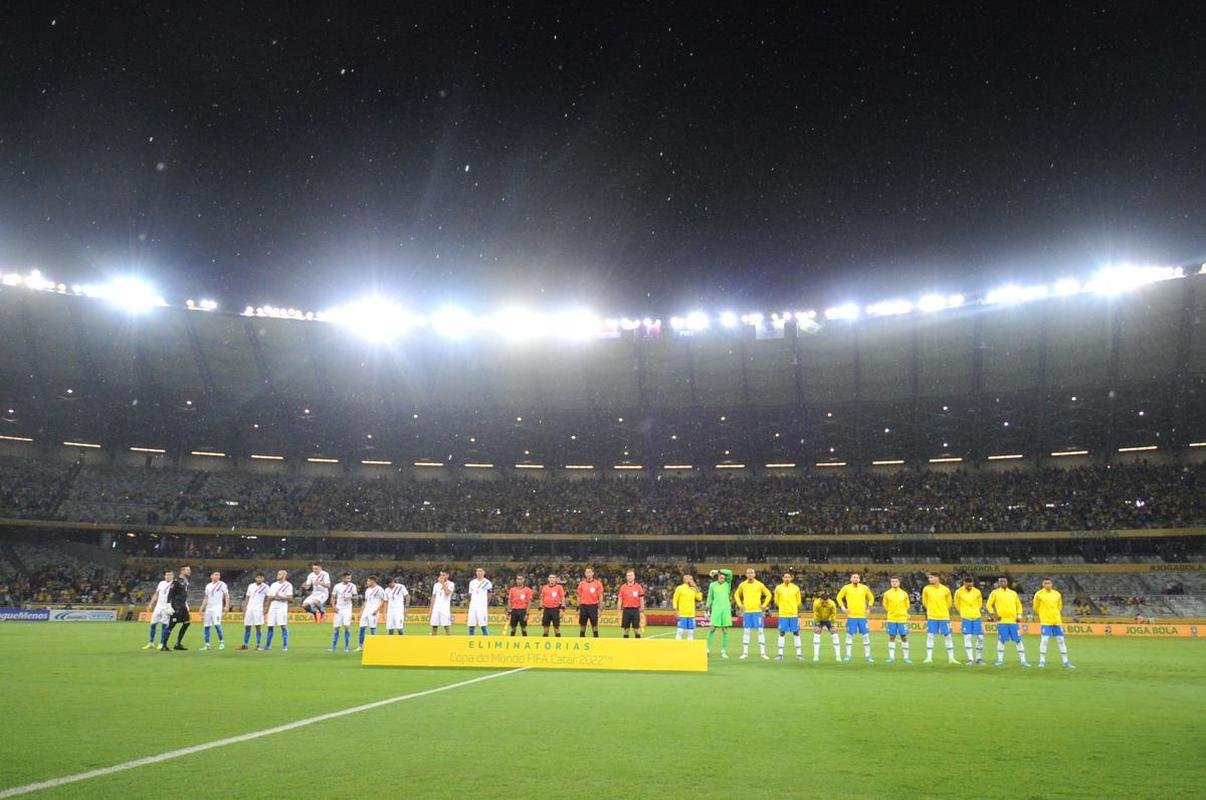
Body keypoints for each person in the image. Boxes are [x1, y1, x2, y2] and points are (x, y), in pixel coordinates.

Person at [985, 576, 1030, 667]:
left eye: (1004, 581)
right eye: (1000, 581)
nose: (1002, 583)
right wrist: (993, 614)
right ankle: (1000, 660)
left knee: (1018, 640)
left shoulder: (1013, 593)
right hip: (1002, 622)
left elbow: (1019, 606)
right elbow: (989, 605)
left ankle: (1023, 661)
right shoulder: (995, 593)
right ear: (998, 583)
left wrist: (1019, 615)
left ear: (1007, 582)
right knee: (1001, 640)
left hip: (1013, 621)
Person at [1033, 578, 1075, 669]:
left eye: (1049, 583)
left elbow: (1059, 607)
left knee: (1061, 640)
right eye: (1045, 583)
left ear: (1052, 584)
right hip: (1045, 621)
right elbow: (1035, 607)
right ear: (1043, 584)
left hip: (1056, 621)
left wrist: (1054, 614)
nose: (1047, 585)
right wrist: (1043, 614)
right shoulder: (1039, 594)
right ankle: (1042, 661)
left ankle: (1065, 662)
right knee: (1044, 640)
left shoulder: (1057, 594)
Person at [732, 568, 771, 660]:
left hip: (757, 612)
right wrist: (740, 605)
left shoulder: (759, 584)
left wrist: (764, 605)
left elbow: (769, 594)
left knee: (760, 631)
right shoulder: (742, 585)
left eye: (751, 573)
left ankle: (763, 653)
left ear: (754, 574)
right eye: (748, 573)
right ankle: (745, 653)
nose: (750, 574)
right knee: (746, 632)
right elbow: (736, 595)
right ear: (746, 575)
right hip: (747, 612)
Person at [836, 573, 875, 663]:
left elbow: (871, 598)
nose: (855, 578)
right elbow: (838, 597)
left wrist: (869, 608)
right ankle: (848, 655)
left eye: (857, 577)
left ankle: (868, 656)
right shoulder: (846, 587)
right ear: (850, 579)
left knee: (866, 636)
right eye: (854, 577)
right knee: (849, 635)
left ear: (859, 579)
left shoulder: (864, 588)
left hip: (862, 616)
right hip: (851, 616)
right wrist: (842, 607)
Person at [921, 573, 957, 665]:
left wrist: (942, 610)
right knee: (930, 636)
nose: (929, 579)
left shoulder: (945, 590)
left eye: (931, 577)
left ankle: (951, 658)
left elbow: (949, 603)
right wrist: (931, 609)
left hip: (944, 616)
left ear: (937, 578)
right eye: (929, 577)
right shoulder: (926, 589)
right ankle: (929, 657)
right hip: (932, 616)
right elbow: (924, 602)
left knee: (948, 636)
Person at [954, 577, 986, 665]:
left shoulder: (977, 592)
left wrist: (975, 610)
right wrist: (963, 612)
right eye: (967, 582)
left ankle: (979, 658)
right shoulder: (959, 592)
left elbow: (980, 603)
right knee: (967, 637)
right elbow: (956, 604)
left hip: (976, 617)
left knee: (980, 638)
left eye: (970, 582)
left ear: (973, 583)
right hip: (966, 617)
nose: (969, 584)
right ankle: (970, 659)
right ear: (964, 583)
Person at [772, 571, 804, 661]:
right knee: (782, 633)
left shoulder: (796, 588)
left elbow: (799, 602)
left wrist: (798, 613)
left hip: (794, 614)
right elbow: (776, 601)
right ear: (782, 578)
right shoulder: (778, 588)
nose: (787, 578)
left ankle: (799, 654)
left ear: (791, 578)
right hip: (783, 614)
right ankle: (780, 654)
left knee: (796, 633)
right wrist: (783, 607)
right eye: (785, 577)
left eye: (788, 577)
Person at [160, 565, 192, 652]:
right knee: (171, 625)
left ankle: (178, 644)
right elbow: (170, 593)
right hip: (176, 606)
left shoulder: (185, 581)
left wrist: (186, 603)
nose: (190, 571)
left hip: (183, 605)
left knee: (187, 622)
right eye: (188, 570)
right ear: (182, 571)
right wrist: (168, 604)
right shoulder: (176, 581)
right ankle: (164, 645)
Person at [881, 576, 912, 664]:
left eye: (896, 581)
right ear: (890, 583)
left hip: (902, 618)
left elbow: (907, 605)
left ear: (899, 583)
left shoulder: (904, 593)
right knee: (892, 636)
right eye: (892, 582)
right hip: (891, 618)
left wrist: (902, 612)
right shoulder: (887, 593)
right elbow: (885, 604)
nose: (894, 583)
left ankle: (906, 657)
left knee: (904, 636)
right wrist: (891, 611)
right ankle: (891, 657)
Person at [705, 568, 733, 658]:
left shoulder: (727, 584)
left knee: (725, 629)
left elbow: (730, 572)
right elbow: (710, 597)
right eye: (720, 575)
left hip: (725, 609)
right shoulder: (712, 585)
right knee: (712, 628)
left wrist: (718, 571)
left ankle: (723, 651)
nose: (722, 576)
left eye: (723, 575)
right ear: (717, 577)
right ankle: (707, 649)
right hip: (716, 609)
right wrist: (707, 607)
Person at [143, 568, 173, 650]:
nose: (168, 576)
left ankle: (161, 643)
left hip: (166, 607)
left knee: (164, 626)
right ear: (164, 576)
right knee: (153, 624)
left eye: (170, 575)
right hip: (158, 606)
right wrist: (150, 604)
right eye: (167, 575)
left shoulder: (174, 584)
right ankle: (151, 642)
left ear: (172, 576)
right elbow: (156, 594)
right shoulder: (161, 583)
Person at [264, 569, 293, 652]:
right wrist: (266, 608)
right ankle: (268, 645)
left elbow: (290, 599)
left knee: (283, 626)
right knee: (270, 626)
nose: (277, 575)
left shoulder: (288, 585)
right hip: (273, 606)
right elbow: (269, 597)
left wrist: (279, 597)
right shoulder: (273, 585)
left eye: (279, 574)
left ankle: (285, 646)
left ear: (284, 575)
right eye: (278, 574)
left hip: (282, 607)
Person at [199, 571, 229, 651]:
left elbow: (226, 595)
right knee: (206, 626)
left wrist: (227, 605)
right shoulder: (208, 586)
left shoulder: (222, 584)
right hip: (208, 608)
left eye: (219, 575)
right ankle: (207, 645)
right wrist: (202, 607)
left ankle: (221, 643)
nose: (218, 576)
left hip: (217, 608)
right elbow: (206, 597)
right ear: (211, 576)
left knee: (217, 625)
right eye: (216, 575)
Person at [329, 572, 358, 652]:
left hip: (347, 609)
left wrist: (351, 597)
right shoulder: (337, 586)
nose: (349, 580)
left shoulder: (352, 586)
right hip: (338, 608)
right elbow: (333, 597)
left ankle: (346, 647)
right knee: (336, 628)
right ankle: (333, 647)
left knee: (346, 626)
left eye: (350, 578)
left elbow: (356, 597)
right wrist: (334, 607)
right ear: (343, 578)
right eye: (347, 578)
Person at [239, 572, 268, 650]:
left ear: (263, 579)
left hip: (258, 609)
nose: (259, 579)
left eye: (261, 577)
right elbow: (247, 597)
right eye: (258, 577)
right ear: (255, 578)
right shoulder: (251, 586)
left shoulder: (266, 587)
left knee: (258, 627)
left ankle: (258, 645)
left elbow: (268, 598)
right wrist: (245, 607)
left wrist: (266, 608)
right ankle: (245, 645)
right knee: (247, 627)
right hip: (249, 609)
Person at [812, 589, 841, 662]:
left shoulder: (832, 604)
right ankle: (816, 656)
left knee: (834, 633)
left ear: (828, 600)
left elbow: (833, 614)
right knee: (817, 632)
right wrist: (817, 623)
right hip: (819, 619)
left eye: (826, 602)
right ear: (820, 599)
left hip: (828, 619)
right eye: (823, 602)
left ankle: (838, 656)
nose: (825, 603)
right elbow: (815, 613)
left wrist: (833, 623)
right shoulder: (816, 603)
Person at [357, 575, 385, 651]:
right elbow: (366, 601)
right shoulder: (367, 590)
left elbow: (383, 600)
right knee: (362, 628)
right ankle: (360, 646)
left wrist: (377, 610)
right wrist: (361, 611)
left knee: (372, 628)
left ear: (373, 581)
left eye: (368, 581)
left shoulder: (380, 589)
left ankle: (374, 646)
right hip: (366, 611)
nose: (367, 582)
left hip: (373, 612)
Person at [672, 574, 702, 641]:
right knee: (680, 631)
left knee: (690, 632)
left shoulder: (693, 589)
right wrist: (675, 610)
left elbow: (699, 598)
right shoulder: (679, 588)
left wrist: (696, 587)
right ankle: (677, 646)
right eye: (690, 579)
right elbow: (675, 600)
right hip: (682, 613)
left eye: (692, 579)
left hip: (691, 614)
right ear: (685, 580)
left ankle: (689, 648)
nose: (692, 581)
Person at [576, 567, 604, 638]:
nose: (588, 574)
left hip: (593, 606)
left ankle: (596, 643)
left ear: (592, 573)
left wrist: (600, 609)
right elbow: (578, 596)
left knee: (595, 625)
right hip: (583, 606)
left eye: (590, 572)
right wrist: (577, 609)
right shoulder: (581, 584)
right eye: (587, 572)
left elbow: (600, 596)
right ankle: (582, 641)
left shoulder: (598, 583)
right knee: (582, 625)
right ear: (585, 574)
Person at [618, 570, 645, 639]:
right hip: (626, 610)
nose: (630, 577)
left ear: (634, 577)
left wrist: (642, 611)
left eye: (631, 575)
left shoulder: (638, 587)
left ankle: (638, 646)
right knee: (626, 630)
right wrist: (619, 611)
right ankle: (626, 646)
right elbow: (620, 599)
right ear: (626, 577)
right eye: (628, 576)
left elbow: (641, 599)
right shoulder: (623, 587)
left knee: (636, 630)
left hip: (635, 610)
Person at [466, 568, 493, 636]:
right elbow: (470, 594)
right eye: (477, 571)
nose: (479, 572)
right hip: (473, 606)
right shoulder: (472, 582)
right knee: (471, 626)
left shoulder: (487, 582)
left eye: (480, 571)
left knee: (483, 626)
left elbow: (490, 594)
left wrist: (486, 603)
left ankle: (486, 640)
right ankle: (471, 641)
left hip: (482, 606)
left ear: (484, 573)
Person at [540, 573, 566, 637]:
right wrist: (540, 609)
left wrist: (562, 609)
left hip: (555, 609)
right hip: (546, 609)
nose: (552, 579)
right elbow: (542, 598)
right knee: (545, 628)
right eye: (550, 577)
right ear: (548, 579)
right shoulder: (545, 587)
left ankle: (558, 644)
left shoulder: (559, 587)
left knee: (556, 628)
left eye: (553, 577)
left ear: (555, 579)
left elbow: (562, 598)